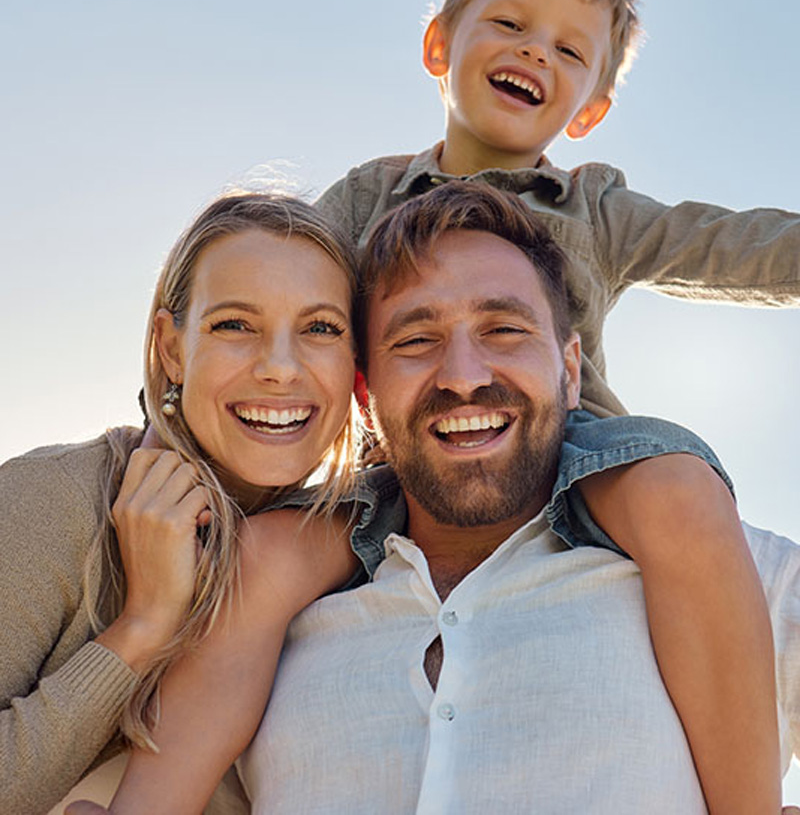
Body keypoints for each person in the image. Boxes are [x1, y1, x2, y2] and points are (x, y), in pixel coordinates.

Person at [68, 184, 799, 815]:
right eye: (415, 340)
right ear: (364, 391)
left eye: (504, 329)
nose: (462, 374)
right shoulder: (276, 586)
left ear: (571, 371)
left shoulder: (713, 560)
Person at [314, 0, 800, 811]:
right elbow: (275, 276)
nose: (534, 50)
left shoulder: (595, 207)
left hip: (576, 454)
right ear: (439, 46)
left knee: (680, 493)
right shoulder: (365, 198)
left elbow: (730, 244)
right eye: (508, 23)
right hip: (402, 459)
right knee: (262, 561)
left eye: (569, 50)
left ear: (587, 107)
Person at [0, 192, 363, 815]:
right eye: (234, 325)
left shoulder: (359, 546)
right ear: (171, 349)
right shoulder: (51, 501)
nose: (280, 367)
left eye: (320, 328)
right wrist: (143, 625)